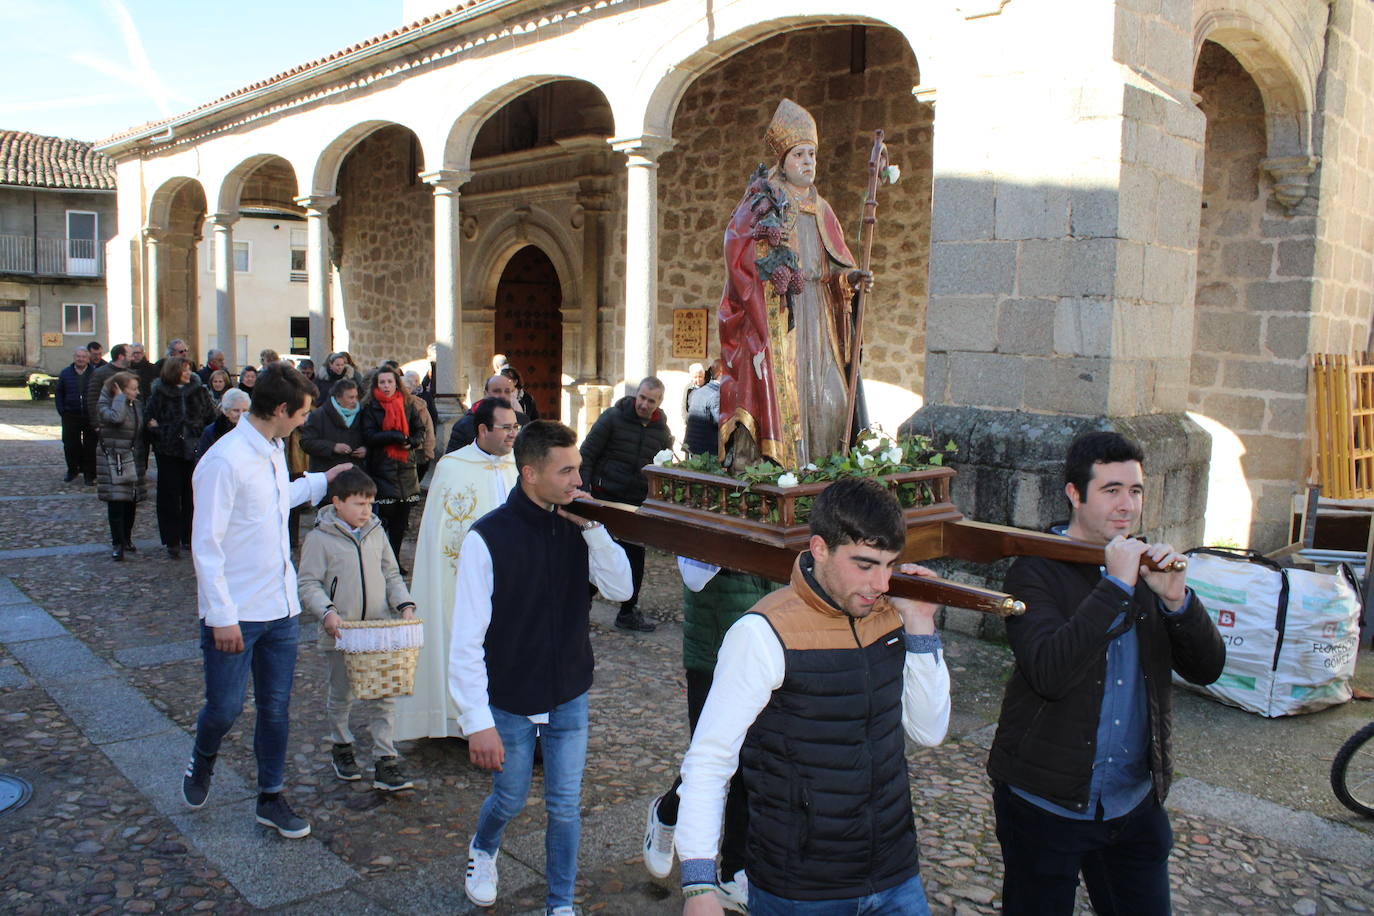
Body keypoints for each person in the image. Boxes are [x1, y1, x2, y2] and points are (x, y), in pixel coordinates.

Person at [675, 477, 950, 915]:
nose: (881, 582)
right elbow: (709, 760)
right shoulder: (763, 633)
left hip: (896, 876)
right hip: (800, 890)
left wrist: (920, 626)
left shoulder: (888, 617)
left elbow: (929, 731)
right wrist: (698, 885)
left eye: (890, 564)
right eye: (864, 565)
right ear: (820, 548)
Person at [988, 431, 1226, 916]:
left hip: (1132, 806)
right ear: (1074, 494)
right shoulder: (1033, 571)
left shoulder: (1146, 569)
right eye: (1111, 490)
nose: (1127, 505)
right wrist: (1117, 585)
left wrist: (1177, 600)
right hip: (1045, 804)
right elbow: (1049, 672)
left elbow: (1207, 668)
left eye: (1135, 491)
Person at [451, 420, 632, 914]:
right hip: (508, 697)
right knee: (508, 798)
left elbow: (621, 590)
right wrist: (476, 722)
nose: (579, 481)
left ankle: (560, 904)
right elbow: (464, 640)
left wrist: (595, 533)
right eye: (567, 471)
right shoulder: (486, 539)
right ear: (530, 473)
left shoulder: (581, 526)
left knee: (565, 808)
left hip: (569, 691)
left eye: (578, 469)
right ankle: (483, 849)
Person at [181, 362, 344, 838]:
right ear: (279, 409)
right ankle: (203, 755)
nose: (304, 422)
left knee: (276, 710)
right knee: (225, 709)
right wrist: (222, 616)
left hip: (281, 611)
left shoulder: (273, 448)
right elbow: (206, 545)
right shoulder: (223, 461)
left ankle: (270, 798)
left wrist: (323, 479)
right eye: (302, 414)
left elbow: (277, 500)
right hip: (236, 615)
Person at [718, 98, 872, 470]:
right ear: (783, 159)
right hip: (779, 317)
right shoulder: (764, 201)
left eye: (812, 155)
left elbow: (836, 265)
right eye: (799, 154)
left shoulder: (822, 209)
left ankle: (825, 466)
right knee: (786, 393)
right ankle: (784, 470)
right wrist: (770, 273)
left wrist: (850, 279)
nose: (808, 162)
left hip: (820, 319)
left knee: (832, 396)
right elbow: (738, 251)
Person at [641, 560, 776, 910]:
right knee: (716, 760)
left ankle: (733, 873)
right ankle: (668, 811)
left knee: (752, 763)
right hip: (713, 653)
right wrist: (738, 542)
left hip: (767, 651)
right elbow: (694, 576)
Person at [395, 397, 519, 741]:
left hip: (511, 580)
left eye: (515, 427)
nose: (512, 435)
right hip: (463, 577)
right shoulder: (452, 466)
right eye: (505, 428)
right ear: (483, 430)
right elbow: (440, 534)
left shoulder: (517, 466)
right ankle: (460, 721)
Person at [297, 467, 417, 791]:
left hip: (378, 629)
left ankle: (385, 758)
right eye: (359, 504)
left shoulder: (377, 531)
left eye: (370, 503)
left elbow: (391, 574)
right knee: (342, 694)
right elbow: (308, 583)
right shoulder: (319, 539)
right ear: (337, 502)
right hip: (341, 632)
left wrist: (404, 604)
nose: (366, 511)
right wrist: (327, 613)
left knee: (383, 696)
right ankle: (341, 744)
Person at [579, 376, 674, 632]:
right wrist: (584, 488)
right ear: (636, 395)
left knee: (634, 558)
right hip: (605, 496)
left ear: (659, 402)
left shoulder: (662, 431)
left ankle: (628, 612)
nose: (644, 404)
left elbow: (662, 469)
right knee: (600, 555)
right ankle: (581, 607)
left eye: (650, 400)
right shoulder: (613, 418)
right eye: (642, 397)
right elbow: (587, 453)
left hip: (635, 503)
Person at [145, 356, 216, 559]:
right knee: (169, 495)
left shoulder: (199, 391)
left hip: (193, 450)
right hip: (169, 451)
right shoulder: (159, 393)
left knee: (192, 495)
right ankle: (172, 539)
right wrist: (161, 433)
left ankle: (190, 536)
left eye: (189, 369)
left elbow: (210, 418)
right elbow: (149, 419)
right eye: (184, 370)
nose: (188, 373)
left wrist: (199, 435)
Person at [361, 366, 425, 567]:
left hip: (406, 468)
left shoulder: (407, 404)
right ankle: (380, 561)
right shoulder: (371, 407)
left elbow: (419, 429)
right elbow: (369, 435)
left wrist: (411, 442)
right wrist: (394, 437)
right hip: (382, 469)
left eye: (390, 381)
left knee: (400, 523)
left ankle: (395, 562)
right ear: (376, 384)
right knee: (383, 521)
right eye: (382, 382)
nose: (386, 386)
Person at [95, 371, 147, 560]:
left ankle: (126, 537)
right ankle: (117, 542)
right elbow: (116, 418)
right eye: (132, 389)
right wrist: (119, 399)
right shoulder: (105, 404)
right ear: (119, 388)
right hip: (113, 458)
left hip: (132, 457)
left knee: (131, 501)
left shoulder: (136, 405)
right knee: (117, 502)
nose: (137, 392)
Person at [444, 373, 530, 454]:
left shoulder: (523, 420)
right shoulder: (464, 425)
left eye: (507, 391)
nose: (503, 396)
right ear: (486, 394)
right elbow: (453, 461)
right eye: (497, 391)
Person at [299, 378, 366, 475]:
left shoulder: (362, 414)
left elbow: (370, 437)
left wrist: (366, 449)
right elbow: (306, 442)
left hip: (355, 475)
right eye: (351, 398)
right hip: (326, 474)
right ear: (338, 398)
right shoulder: (318, 415)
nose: (355, 401)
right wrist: (333, 447)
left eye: (356, 397)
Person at [55, 346, 96, 484]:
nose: (81, 359)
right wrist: (62, 410)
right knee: (70, 444)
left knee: (90, 446)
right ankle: (72, 470)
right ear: (74, 357)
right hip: (70, 415)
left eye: (83, 357)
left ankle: (89, 474)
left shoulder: (94, 373)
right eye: (78, 356)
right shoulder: (65, 373)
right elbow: (59, 393)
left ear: (88, 359)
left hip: (90, 415)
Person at [86, 343, 130, 433]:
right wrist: (96, 423)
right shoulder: (100, 373)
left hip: (128, 422)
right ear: (121, 356)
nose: (133, 357)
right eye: (130, 354)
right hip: (107, 421)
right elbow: (93, 399)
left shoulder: (132, 373)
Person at [402, 370, 436, 483]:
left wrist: (428, 450)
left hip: (418, 451)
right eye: (402, 388)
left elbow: (428, 428)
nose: (404, 391)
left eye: (407, 388)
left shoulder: (420, 405)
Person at [683, 361, 721, 457]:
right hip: (705, 445)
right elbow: (719, 421)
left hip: (693, 443)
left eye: (700, 377)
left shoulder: (701, 391)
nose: (698, 380)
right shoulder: (715, 394)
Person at [197, 388, 250, 457]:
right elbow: (202, 459)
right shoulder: (211, 431)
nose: (240, 414)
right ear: (226, 411)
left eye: (244, 410)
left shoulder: (252, 430)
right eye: (236, 410)